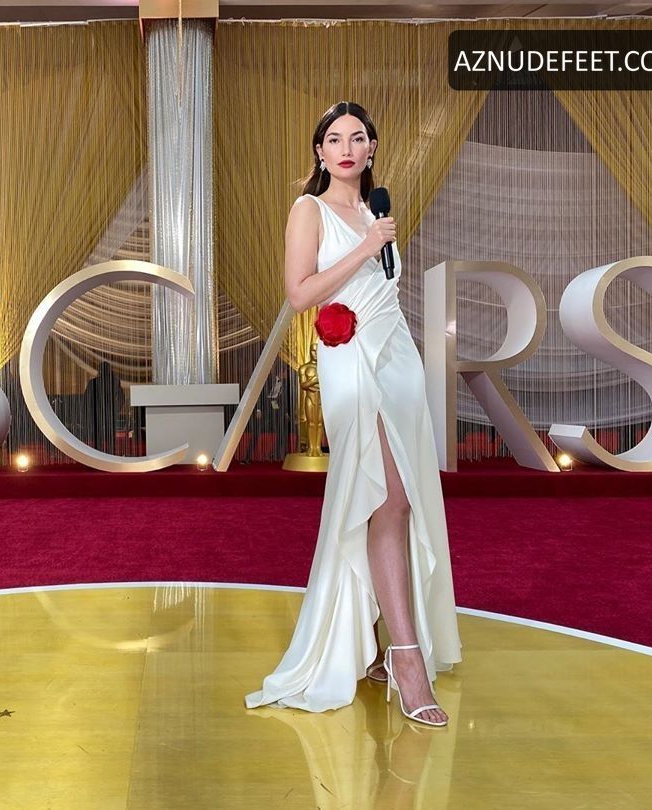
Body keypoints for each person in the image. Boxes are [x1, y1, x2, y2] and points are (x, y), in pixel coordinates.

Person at [245, 102, 460, 725]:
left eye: (357, 138)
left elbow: (384, 289)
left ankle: (370, 640)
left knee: (397, 499)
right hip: (349, 359)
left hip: (398, 358)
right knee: (387, 497)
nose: (345, 148)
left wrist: (374, 239)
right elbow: (299, 294)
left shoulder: (377, 210)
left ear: (371, 149)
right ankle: (407, 659)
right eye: (334, 139)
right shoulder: (308, 210)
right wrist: (366, 248)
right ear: (320, 151)